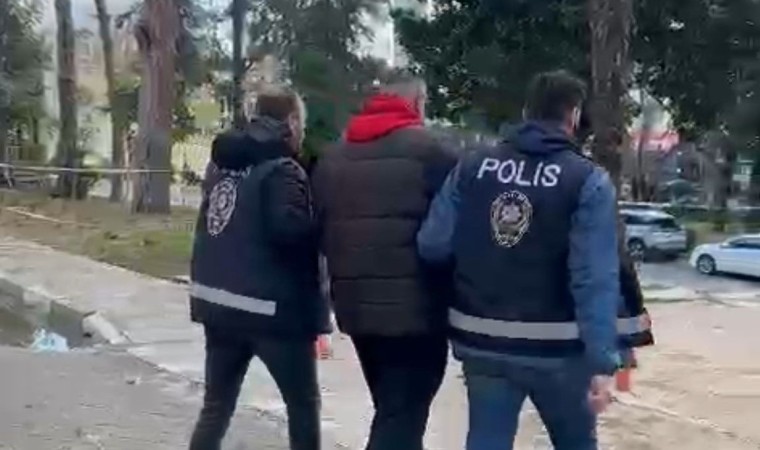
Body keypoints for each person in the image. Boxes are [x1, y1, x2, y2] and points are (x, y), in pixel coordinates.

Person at [417, 70, 650, 450]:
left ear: (526, 112)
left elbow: (433, 245)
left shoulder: (473, 167)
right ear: (573, 115)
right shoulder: (586, 179)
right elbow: (593, 277)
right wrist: (603, 362)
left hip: (481, 340)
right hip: (560, 348)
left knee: (486, 441)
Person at [312, 74, 456, 450]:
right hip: (417, 312)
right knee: (402, 415)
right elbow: (454, 227)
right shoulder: (432, 152)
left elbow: (319, 229)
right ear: (418, 103)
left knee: (393, 409)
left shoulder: (334, 156)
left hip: (356, 308)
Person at [189, 85, 329, 450]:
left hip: (217, 302)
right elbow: (291, 235)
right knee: (302, 405)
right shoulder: (282, 170)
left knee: (216, 406)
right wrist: (323, 223)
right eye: (301, 123)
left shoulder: (221, 163)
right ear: (292, 121)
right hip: (271, 310)